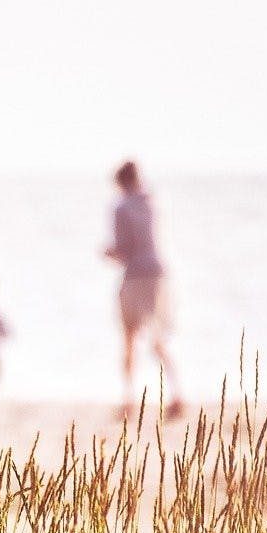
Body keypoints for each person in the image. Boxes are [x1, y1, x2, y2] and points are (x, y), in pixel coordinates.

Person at [103, 160, 183, 419]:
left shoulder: (121, 207)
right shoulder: (153, 203)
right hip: (159, 273)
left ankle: (128, 400)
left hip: (136, 274)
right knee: (158, 339)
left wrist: (108, 253)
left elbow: (123, 250)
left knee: (128, 338)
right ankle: (177, 394)